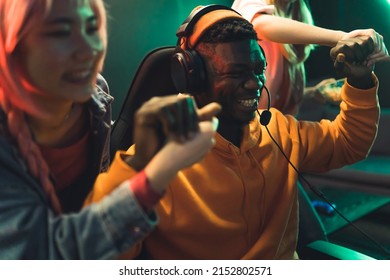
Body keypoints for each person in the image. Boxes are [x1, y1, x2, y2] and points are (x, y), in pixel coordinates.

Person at [85, 5, 386, 259]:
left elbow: (348, 143)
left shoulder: (277, 129)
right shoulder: (159, 156)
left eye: (258, 69)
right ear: (192, 76)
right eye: (236, 72)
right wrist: (140, 171)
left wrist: (359, 82)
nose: (255, 83)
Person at [0, 0, 220, 259]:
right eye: (60, 33)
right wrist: (157, 173)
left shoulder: (95, 97)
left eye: (92, 29)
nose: (88, 50)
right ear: (12, 46)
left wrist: (140, 160)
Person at [231, 0, 389, 115]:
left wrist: (311, 93)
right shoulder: (252, 3)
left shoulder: (296, 11)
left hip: (275, 134)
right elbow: (258, 24)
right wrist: (342, 37)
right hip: (246, 134)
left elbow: (274, 96)